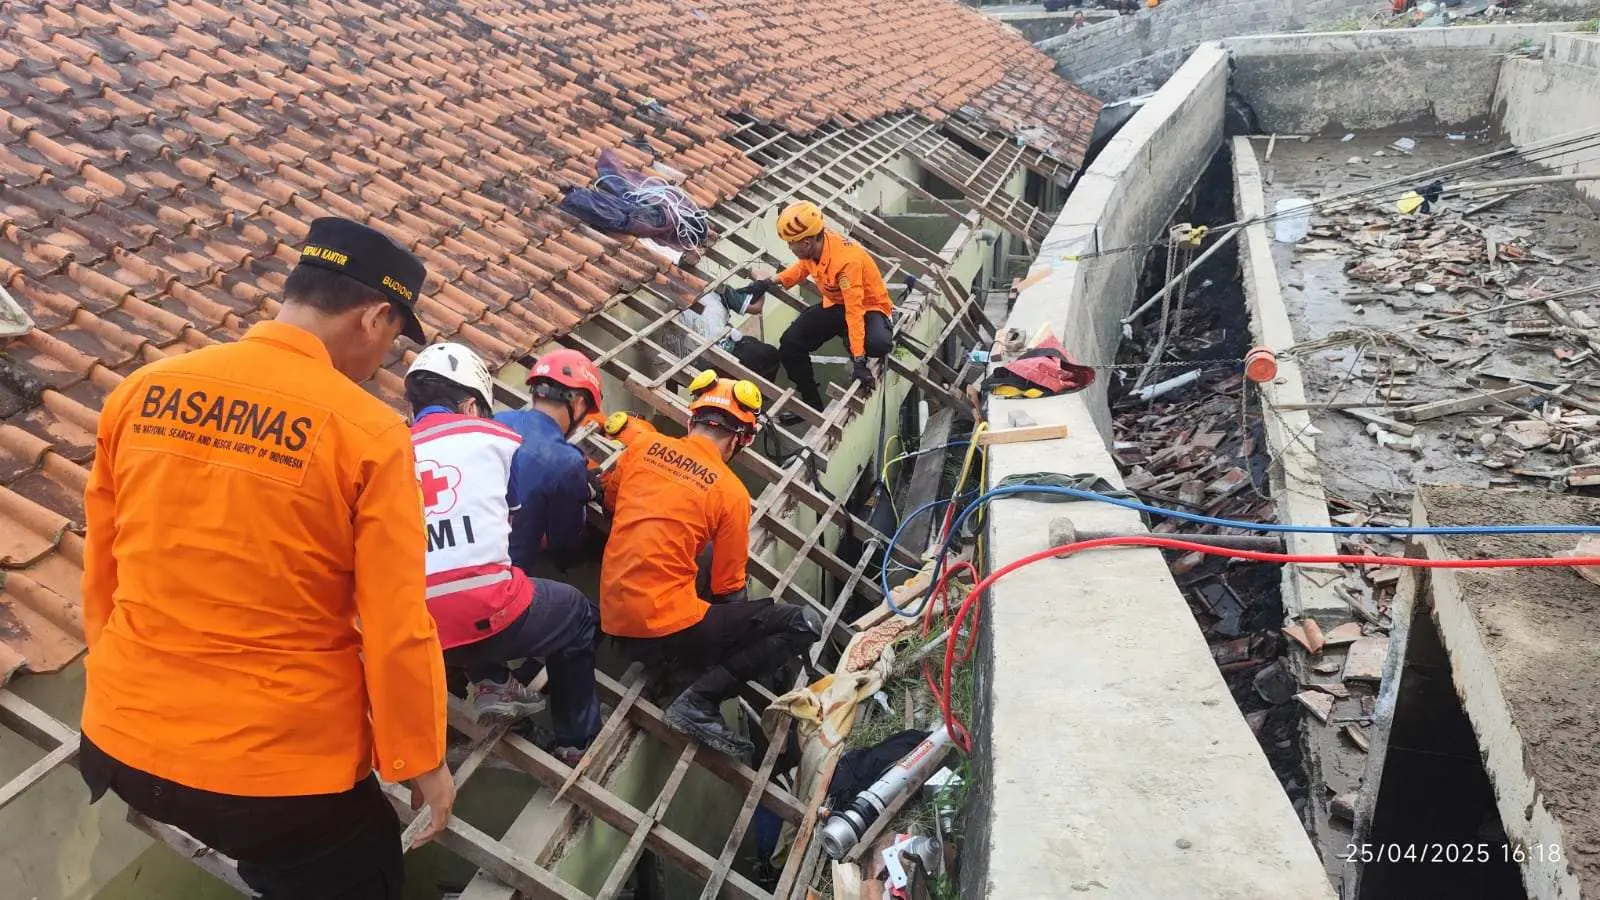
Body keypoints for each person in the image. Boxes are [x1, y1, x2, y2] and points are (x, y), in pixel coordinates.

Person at [78, 217, 453, 898]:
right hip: (274, 779)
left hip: (117, 744)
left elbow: (101, 570)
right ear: (375, 317)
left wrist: (120, 692)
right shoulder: (368, 434)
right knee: (366, 866)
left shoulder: (141, 391)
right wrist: (419, 757)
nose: (385, 361)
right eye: (395, 340)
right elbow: (397, 623)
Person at [599, 370, 822, 756]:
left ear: (691, 421)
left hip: (613, 617)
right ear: (741, 439)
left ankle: (686, 662)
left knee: (698, 551)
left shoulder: (641, 449)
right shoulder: (730, 491)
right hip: (662, 629)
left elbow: (611, 503)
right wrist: (739, 638)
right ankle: (699, 700)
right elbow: (729, 590)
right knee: (800, 623)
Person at [404, 343, 602, 763]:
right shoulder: (503, 440)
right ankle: (576, 741)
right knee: (577, 613)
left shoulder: (391, 450)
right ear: (580, 403)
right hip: (489, 613)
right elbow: (559, 544)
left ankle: (492, 679)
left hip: (414, 635)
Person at [751, 201, 894, 409]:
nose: (789, 247)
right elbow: (802, 268)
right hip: (836, 305)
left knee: (877, 344)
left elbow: (854, 312)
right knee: (790, 345)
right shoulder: (816, 246)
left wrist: (859, 361)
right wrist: (770, 281)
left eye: (791, 243)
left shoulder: (846, 262)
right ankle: (811, 403)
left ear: (807, 243)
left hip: (867, 308)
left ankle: (866, 337)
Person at [494, 349, 602, 573]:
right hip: (503, 580)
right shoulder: (566, 461)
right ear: (579, 404)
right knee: (577, 605)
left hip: (449, 559)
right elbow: (563, 549)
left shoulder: (497, 420)